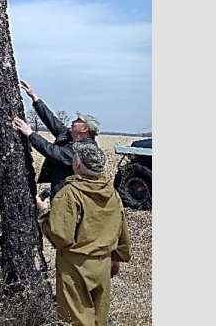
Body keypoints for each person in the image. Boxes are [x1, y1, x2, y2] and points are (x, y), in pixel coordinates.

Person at [25, 136, 132, 326]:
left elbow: (61, 237)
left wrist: (43, 212)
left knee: (76, 321)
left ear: (76, 164)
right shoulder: (112, 192)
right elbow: (121, 228)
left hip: (76, 267)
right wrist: (116, 258)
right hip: (103, 264)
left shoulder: (69, 194)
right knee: (99, 319)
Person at [16, 79, 102, 198]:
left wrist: (30, 134)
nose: (73, 121)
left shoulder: (83, 150)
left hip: (69, 198)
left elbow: (53, 152)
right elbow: (52, 121)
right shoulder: (69, 136)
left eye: (78, 121)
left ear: (84, 129)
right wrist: (34, 97)